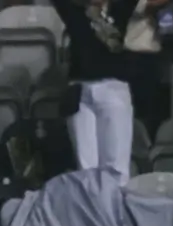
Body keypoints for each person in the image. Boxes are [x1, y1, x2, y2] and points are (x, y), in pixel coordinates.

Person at [51, 0, 139, 183]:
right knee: (85, 170)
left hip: (113, 88)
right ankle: (88, 209)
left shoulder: (121, 8)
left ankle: (113, 209)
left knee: (116, 169)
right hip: (80, 90)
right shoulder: (75, 11)